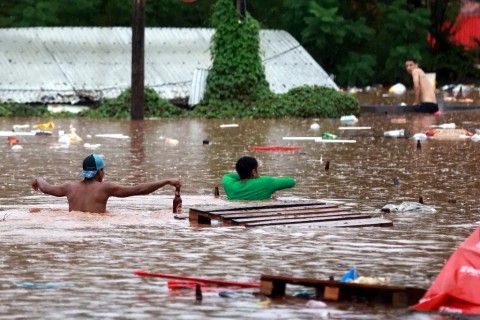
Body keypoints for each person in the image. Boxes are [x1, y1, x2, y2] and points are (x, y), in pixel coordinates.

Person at [32, 154, 181, 213]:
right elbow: (139, 190)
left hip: (73, 225)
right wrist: (166, 181)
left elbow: (45, 188)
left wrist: (38, 179)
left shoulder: (69, 187)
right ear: (98, 172)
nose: (104, 173)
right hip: (97, 228)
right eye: (103, 170)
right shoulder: (106, 188)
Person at [222, 156, 295, 200]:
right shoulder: (266, 182)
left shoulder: (229, 185)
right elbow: (291, 182)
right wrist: (258, 177)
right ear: (254, 171)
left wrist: (242, 173)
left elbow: (227, 176)